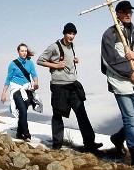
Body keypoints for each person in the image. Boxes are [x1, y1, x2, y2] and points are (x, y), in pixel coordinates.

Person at [101, 1, 134, 169]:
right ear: (116, 13)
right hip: (121, 81)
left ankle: (118, 138)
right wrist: (129, 72)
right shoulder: (109, 34)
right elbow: (110, 59)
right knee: (130, 119)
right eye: (124, 11)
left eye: (130, 11)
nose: (128, 14)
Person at [37, 23, 102, 152]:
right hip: (59, 86)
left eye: (73, 34)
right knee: (57, 113)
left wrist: (74, 60)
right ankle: (57, 145)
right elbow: (39, 60)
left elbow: (67, 60)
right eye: (69, 33)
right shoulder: (54, 46)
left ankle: (89, 143)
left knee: (81, 112)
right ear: (64, 33)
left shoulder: (71, 46)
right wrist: (56, 65)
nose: (71, 36)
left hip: (73, 84)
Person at [1, 43, 40, 141]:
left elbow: (34, 75)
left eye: (25, 51)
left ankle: (19, 132)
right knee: (22, 109)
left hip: (27, 89)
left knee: (23, 112)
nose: (24, 53)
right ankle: (26, 132)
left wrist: (35, 83)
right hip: (16, 90)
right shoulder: (13, 64)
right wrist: (3, 93)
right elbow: (8, 79)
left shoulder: (30, 63)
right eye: (22, 51)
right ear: (18, 52)